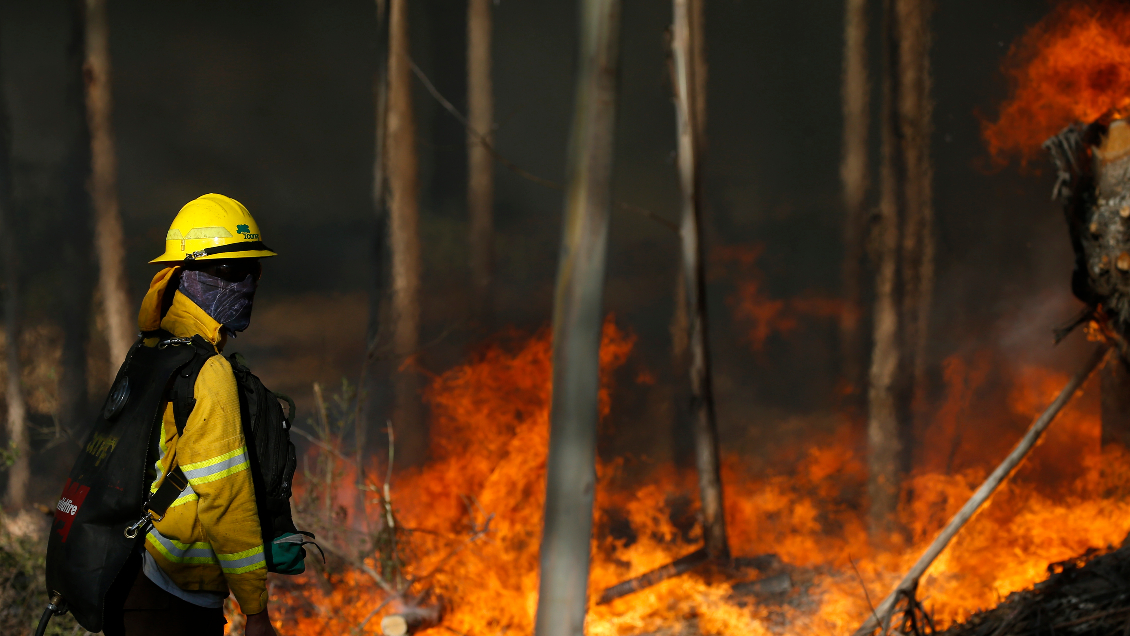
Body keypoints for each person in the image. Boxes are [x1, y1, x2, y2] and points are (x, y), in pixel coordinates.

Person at [103, 193, 279, 636]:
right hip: (174, 601)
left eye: (252, 270)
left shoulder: (151, 350)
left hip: (134, 576)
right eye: (229, 271)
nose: (245, 284)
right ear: (185, 276)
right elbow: (226, 502)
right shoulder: (210, 372)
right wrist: (256, 610)